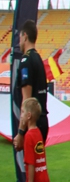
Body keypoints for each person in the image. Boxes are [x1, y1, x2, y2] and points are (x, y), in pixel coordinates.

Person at [12, 20, 48, 148]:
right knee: (39, 160)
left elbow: (26, 101)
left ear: (25, 36)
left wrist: (21, 132)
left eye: (20, 38)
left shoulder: (26, 61)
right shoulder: (38, 58)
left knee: (30, 161)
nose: (19, 42)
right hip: (43, 121)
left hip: (32, 124)